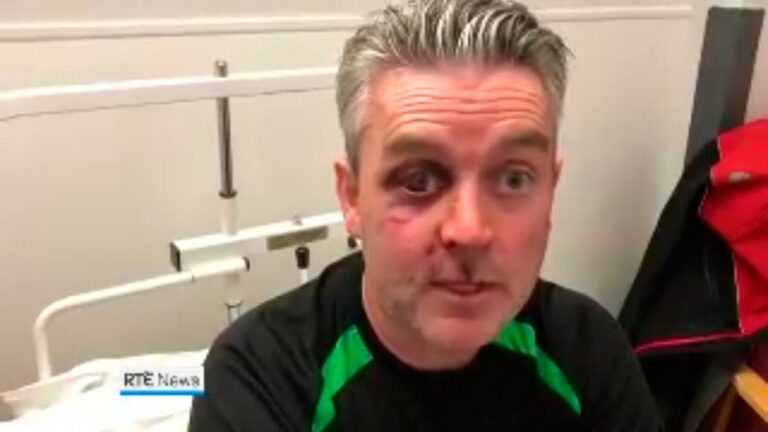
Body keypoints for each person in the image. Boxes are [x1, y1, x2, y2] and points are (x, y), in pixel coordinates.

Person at [188, 0, 662, 430]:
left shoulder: (589, 353)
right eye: (417, 181)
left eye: (514, 179)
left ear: (551, 191)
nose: (470, 231)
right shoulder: (260, 380)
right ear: (351, 197)